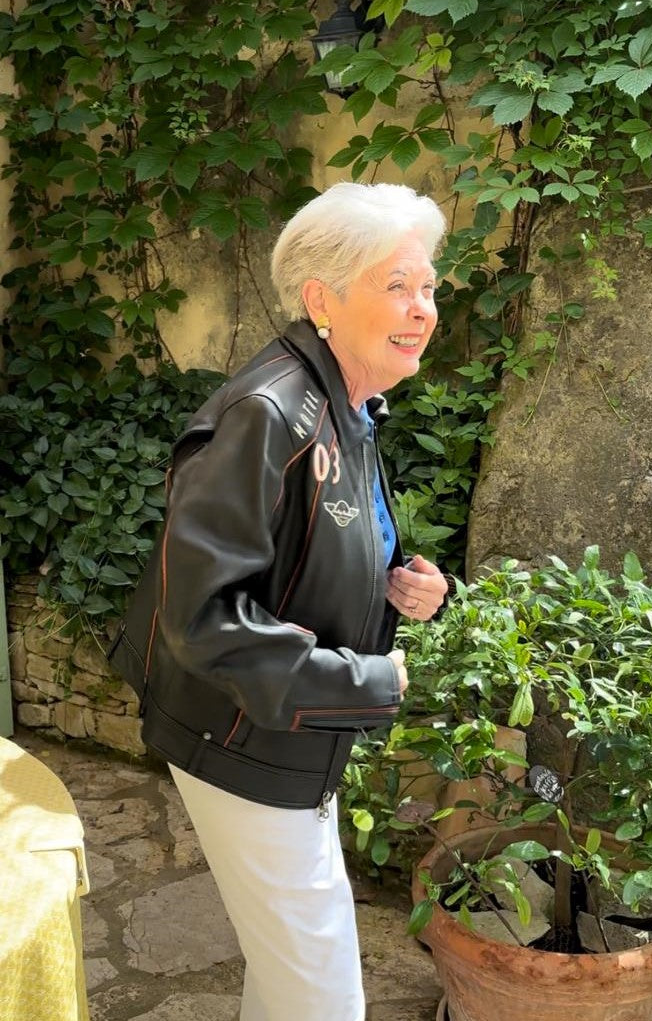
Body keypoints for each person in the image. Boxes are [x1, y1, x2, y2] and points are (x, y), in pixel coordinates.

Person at [109, 181, 449, 1021]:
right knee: (323, 990)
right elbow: (205, 616)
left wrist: (410, 581)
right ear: (320, 299)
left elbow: (322, 544)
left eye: (430, 285)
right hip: (241, 737)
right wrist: (372, 682)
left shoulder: (353, 406)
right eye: (397, 284)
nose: (423, 307)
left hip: (289, 730)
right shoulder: (269, 413)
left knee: (290, 967)